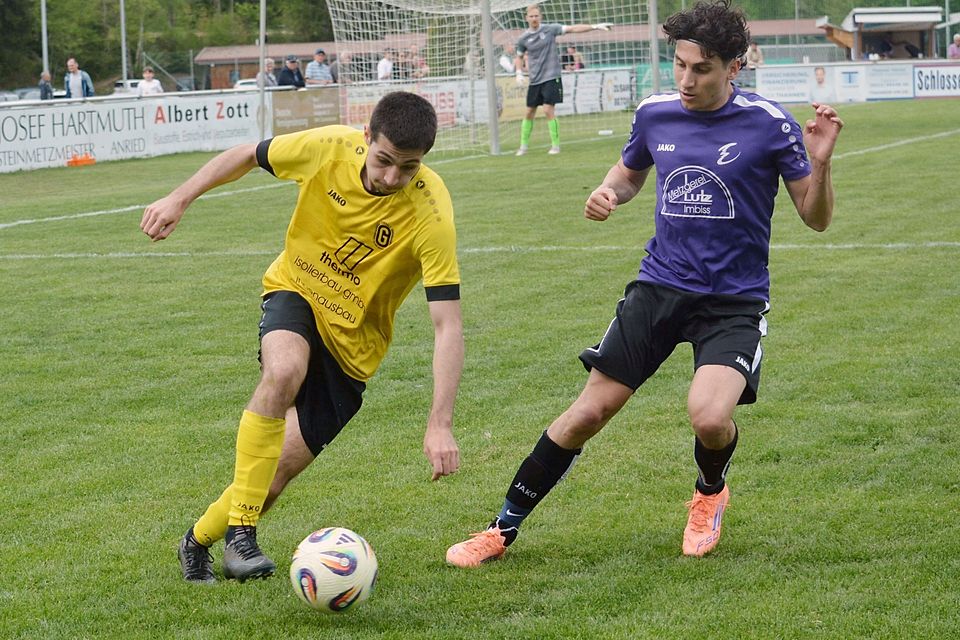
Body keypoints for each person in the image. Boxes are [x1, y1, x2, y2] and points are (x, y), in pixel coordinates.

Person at [446, 0, 843, 568]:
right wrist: (607, 192)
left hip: (733, 300)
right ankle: (500, 529)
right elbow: (628, 173)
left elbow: (816, 216)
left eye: (701, 69)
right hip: (660, 287)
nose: (686, 80)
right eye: (679, 65)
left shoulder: (768, 122)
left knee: (709, 417)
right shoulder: (656, 113)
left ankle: (709, 494)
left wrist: (821, 163)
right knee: (587, 413)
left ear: (735, 67)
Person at [141, 91, 464, 584]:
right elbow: (246, 155)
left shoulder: (431, 212)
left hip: (354, 352)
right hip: (297, 289)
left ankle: (196, 541)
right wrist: (178, 197)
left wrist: (439, 422)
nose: (392, 178)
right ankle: (243, 535)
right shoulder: (327, 147)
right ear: (366, 139)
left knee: (269, 479)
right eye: (383, 161)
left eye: (408, 167)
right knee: (284, 368)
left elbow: (447, 324)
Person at [513, 4, 612, 156]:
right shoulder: (523, 38)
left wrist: (594, 26)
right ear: (526, 18)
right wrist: (519, 73)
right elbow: (519, 57)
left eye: (536, 16)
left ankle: (555, 146)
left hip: (551, 77)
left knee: (548, 110)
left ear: (541, 17)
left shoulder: (550, 29)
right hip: (535, 80)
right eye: (531, 16)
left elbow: (572, 28)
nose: (534, 18)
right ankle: (523, 146)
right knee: (528, 112)